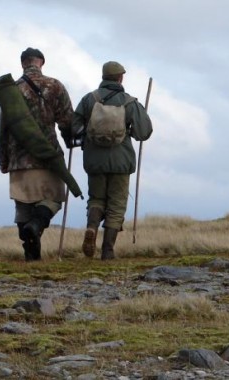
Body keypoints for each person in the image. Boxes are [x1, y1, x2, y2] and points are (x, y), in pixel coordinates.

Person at [0, 47, 76, 261]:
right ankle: (37, 223)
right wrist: (70, 140)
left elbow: (3, 128)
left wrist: (4, 161)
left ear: (23, 63)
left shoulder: (11, 91)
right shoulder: (54, 86)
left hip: (18, 158)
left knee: (23, 207)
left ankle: (32, 256)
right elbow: (67, 120)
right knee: (54, 199)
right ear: (42, 62)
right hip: (48, 156)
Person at [72, 61, 153, 260]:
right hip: (121, 160)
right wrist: (129, 132)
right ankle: (107, 251)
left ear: (103, 76)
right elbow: (144, 132)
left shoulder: (89, 99)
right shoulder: (129, 102)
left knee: (97, 198)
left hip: (94, 161)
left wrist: (89, 137)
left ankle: (92, 227)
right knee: (116, 204)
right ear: (120, 78)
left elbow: (74, 127)